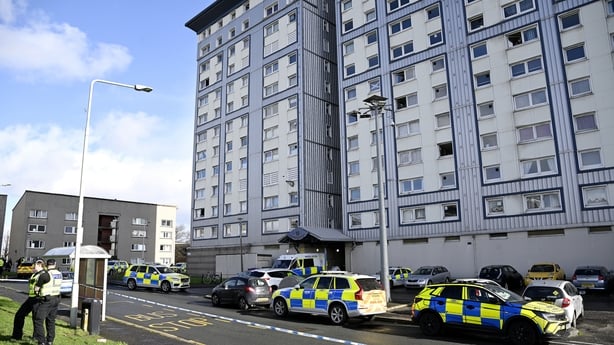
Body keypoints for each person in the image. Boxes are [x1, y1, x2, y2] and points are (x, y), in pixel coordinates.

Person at [12, 259, 45, 340]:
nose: (33, 266)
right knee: (19, 315)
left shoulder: (43, 274)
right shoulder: (35, 274)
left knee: (36, 319)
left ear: (40, 265)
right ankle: (17, 336)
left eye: (35, 265)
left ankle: (37, 337)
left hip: (37, 299)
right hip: (31, 298)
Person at [32, 258, 63, 345]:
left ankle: (41, 341)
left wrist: (36, 291)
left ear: (46, 265)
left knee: (38, 319)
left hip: (46, 300)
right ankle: (50, 341)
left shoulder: (45, 275)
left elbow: (37, 287)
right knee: (51, 320)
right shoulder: (59, 274)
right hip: (56, 299)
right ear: (55, 264)